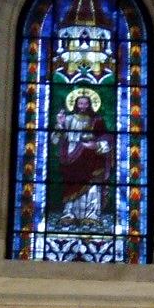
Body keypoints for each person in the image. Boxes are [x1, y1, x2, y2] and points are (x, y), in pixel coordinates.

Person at [51, 90, 112, 225]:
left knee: (92, 186)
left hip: (91, 159)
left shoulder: (97, 121)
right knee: (71, 186)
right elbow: (55, 140)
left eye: (85, 103)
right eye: (80, 103)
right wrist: (60, 124)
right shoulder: (68, 119)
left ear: (90, 104)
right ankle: (69, 214)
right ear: (76, 104)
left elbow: (107, 138)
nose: (83, 106)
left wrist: (96, 145)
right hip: (71, 158)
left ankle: (91, 216)